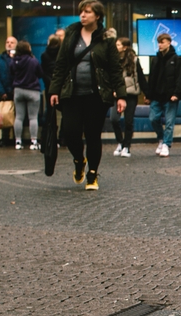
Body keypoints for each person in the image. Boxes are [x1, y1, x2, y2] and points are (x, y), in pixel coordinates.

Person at [49, 0, 127, 190]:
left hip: (96, 95)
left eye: (87, 12)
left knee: (93, 135)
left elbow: (114, 69)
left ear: (97, 16)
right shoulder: (71, 35)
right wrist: (54, 90)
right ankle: (78, 160)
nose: (83, 15)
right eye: (81, 12)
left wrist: (121, 95)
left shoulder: (106, 39)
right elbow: (60, 65)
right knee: (70, 132)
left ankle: (92, 174)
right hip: (72, 94)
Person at [145, 32, 181, 157]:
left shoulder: (176, 59)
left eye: (162, 42)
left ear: (169, 42)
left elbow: (180, 78)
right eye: (159, 42)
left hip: (170, 96)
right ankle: (161, 139)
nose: (160, 45)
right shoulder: (156, 59)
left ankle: (166, 144)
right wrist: (148, 95)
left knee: (169, 122)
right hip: (157, 95)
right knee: (153, 119)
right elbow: (152, 78)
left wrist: (176, 94)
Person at [111, 37, 146, 158]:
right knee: (114, 119)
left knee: (128, 121)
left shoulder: (134, 60)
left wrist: (147, 94)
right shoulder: (113, 59)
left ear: (125, 47)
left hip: (130, 94)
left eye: (118, 44)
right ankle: (120, 142)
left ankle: (126, 146)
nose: (116, 46)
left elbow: (140, 77)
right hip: (116, 95)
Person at [11, 40, 44, 151]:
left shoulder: (14, 61)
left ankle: (18, 141)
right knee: (33, 117)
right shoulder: (33, 61)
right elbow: (40, 73)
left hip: (18, 90)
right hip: (32, 90)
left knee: (19, 117)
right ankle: (33, 141)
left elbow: (10, 73)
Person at [0, 36, 17, 147]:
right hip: (4, 91)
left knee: (17, 116)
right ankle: (4, 139)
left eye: (12, 42)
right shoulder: (0, 58)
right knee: (5, 115)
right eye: (7, 42)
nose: (9, 44)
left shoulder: (19, 58)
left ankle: (17, 138)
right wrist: (1, 91)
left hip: (16, 91)